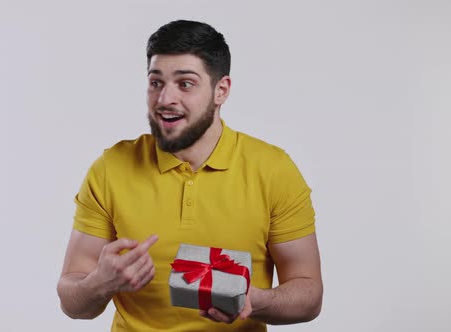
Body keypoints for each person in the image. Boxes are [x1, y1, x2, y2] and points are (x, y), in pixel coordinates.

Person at [57, 20, 323, 331]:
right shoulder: (110, 168)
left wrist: (254, 300)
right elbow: (71, 301)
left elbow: (309, 295)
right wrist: (99, 283)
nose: (164, 98)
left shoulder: (273, 170)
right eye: (156, 82)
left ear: (220, 90)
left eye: (185, 83)